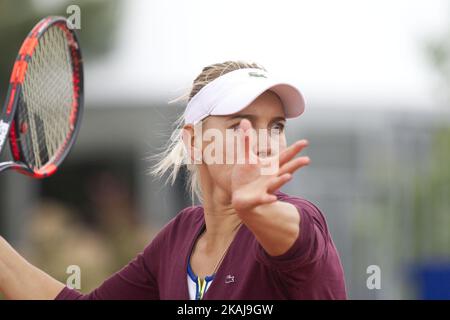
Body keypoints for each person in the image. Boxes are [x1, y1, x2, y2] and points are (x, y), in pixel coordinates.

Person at [0, 61, 347, 299]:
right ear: (194, 141)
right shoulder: (178, 237)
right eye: (240, 123)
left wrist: (254, 209)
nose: (263, 139)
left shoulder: (301, 219)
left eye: (276, 126)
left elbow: (293, 234)